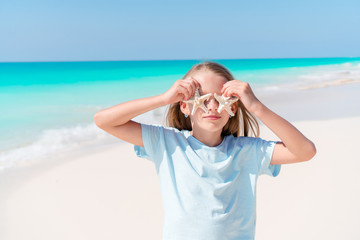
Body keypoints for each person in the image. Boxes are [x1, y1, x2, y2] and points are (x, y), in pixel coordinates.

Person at [94, 61, 316, 240]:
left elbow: (305, 151)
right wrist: (163, 99)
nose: (212, 106)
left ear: (233, 107)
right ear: (184, 106)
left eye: (221, 99)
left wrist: (256, 106)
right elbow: (104, 120)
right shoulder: (167, 143)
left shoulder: (248, 152)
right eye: (202, 98)